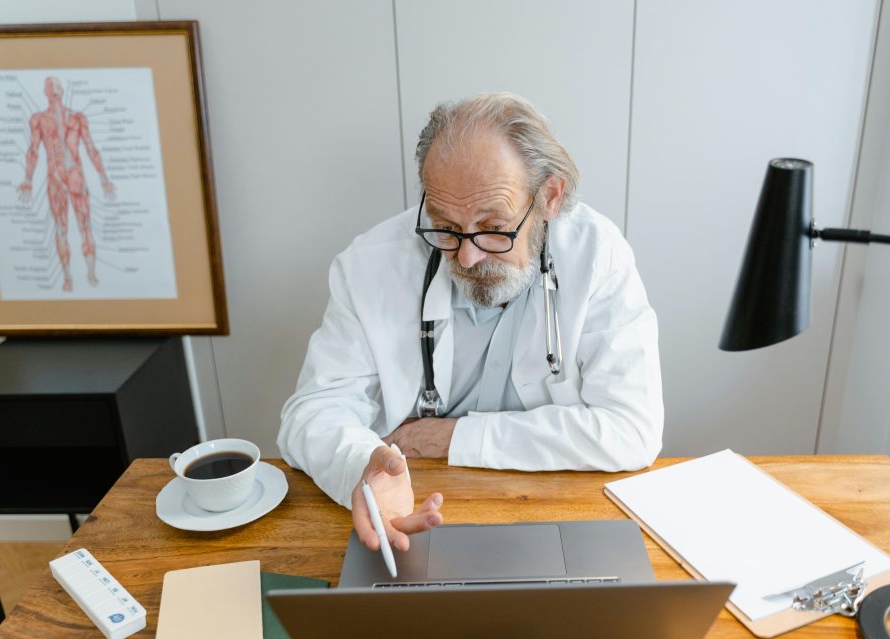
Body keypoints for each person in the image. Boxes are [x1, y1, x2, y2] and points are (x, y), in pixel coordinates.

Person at [278, 92, 663, 559]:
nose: (467, 256)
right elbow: (311, 413)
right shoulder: (370, 264)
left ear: (549, 197)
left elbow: (631, 430)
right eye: (445, 227)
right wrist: (362, 468)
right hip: (414, 513)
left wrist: (453, 437)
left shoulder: (597, 255)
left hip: (558, 516)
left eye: (493, 228)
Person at [18, 76, 116, 292]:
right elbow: (33, 150)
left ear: (62, 90)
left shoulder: (77, 118)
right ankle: (67, 276)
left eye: (56, 85)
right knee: (61, 228)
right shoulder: (38, 119)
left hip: (75, 175)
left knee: (85, 225)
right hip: (55, 178)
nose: (54, 88)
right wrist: (28, 179)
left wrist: (103, 177)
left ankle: (91, 272)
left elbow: (90, 148)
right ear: (45, 91)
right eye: (49, 86)